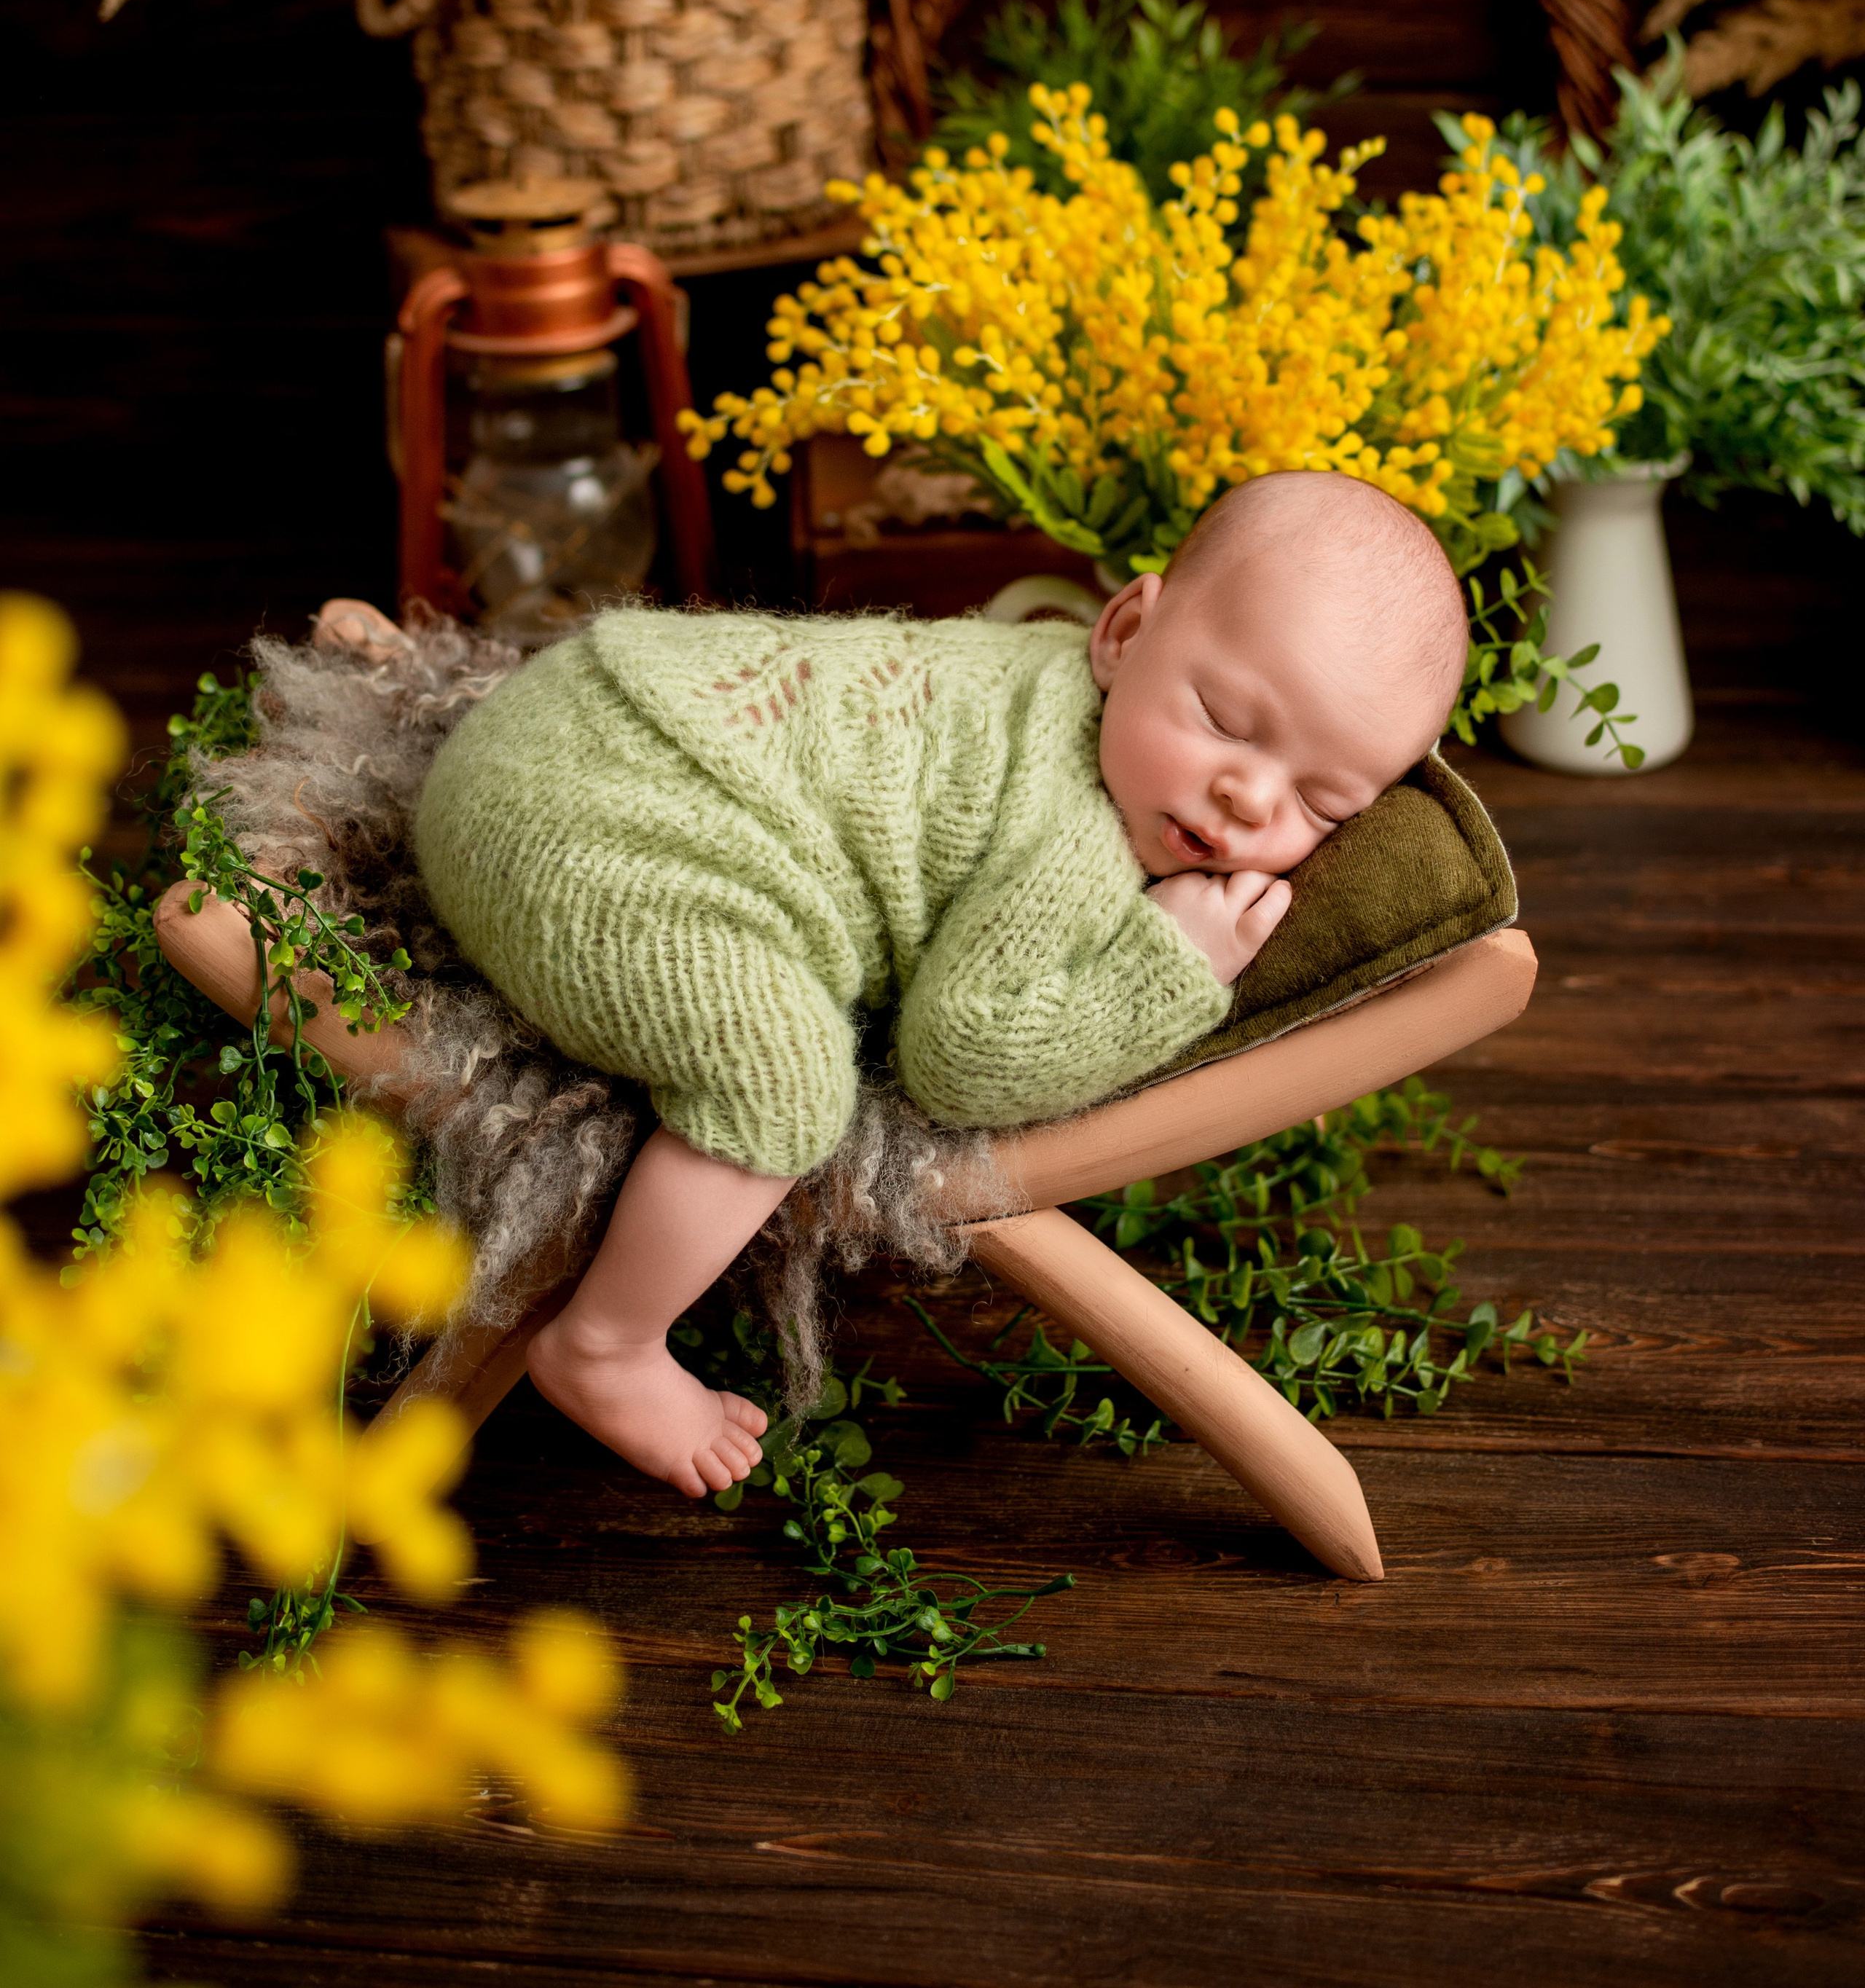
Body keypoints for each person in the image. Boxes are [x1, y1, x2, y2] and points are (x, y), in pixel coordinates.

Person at [399, 470, 1468, 1498]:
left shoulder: (1044, 675)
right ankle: (606, 1346)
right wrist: (1169, 964)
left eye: (1319, 804)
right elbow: (960, 1061)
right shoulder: (1073, 830)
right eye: (1227, 723)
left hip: (574, 712)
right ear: (1126, 633)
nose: (1245, 799)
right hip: (589, 830)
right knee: (782, 1080)